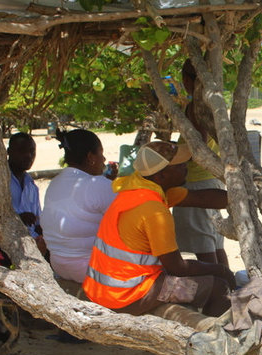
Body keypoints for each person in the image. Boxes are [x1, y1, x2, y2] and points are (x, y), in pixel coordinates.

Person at [82, 140, 236, 317]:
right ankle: (213, 337)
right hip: (128, 296)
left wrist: (240, 196)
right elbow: (177, 268)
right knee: (218, 287)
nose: (186, 166)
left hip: (103, 289)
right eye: (179, 165)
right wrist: (221, 270)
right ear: (162, 176)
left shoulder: (138, 188)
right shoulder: (154, 211)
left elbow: (201, 198)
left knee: (209, 277)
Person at [41, 129, 118, 282]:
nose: (103, 159)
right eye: (101, 154)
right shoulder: (97, 184)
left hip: (59, 265)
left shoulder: (54, 182)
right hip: (92, 268)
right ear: (90, 157)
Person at [172, 59, 228, 266]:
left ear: (187, 80)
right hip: (211, 179)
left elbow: (198, 145)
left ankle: (220, 290)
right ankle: (227, 287)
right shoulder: (214, 103)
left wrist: (170, 158)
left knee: (204, 246)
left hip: (196, 182)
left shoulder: (196, 106)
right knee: (214, 243)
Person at [7, 132, 47, 255]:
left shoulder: (31, 185)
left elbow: (38, 223)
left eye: (32, 151)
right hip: (5, 242)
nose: (28, 155)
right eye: (21, 150)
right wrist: (18, 219)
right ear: (8, 152)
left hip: (32, 241)